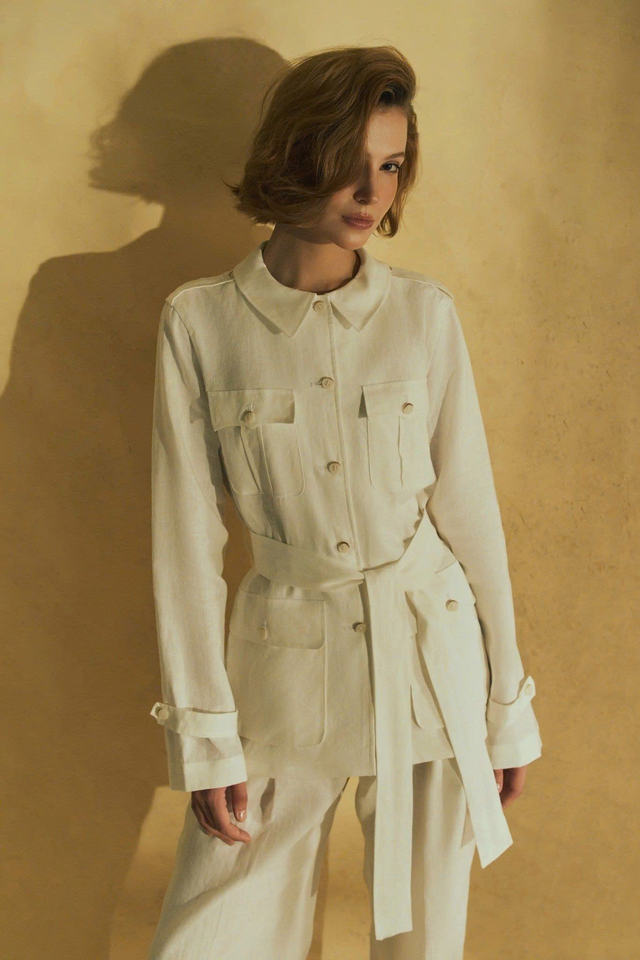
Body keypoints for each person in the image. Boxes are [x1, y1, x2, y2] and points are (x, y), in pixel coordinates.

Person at [146, 43, 542, 960]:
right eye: (349, 163)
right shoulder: (200, 323)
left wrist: (504, 708)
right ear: (295, 154)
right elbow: (184, 545)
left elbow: (471, 518)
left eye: (391, 166)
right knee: (213, 938)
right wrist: (207, 739)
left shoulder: (423, 316)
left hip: (433, 664)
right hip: (283, 670)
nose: (372, 193)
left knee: (424, 944)